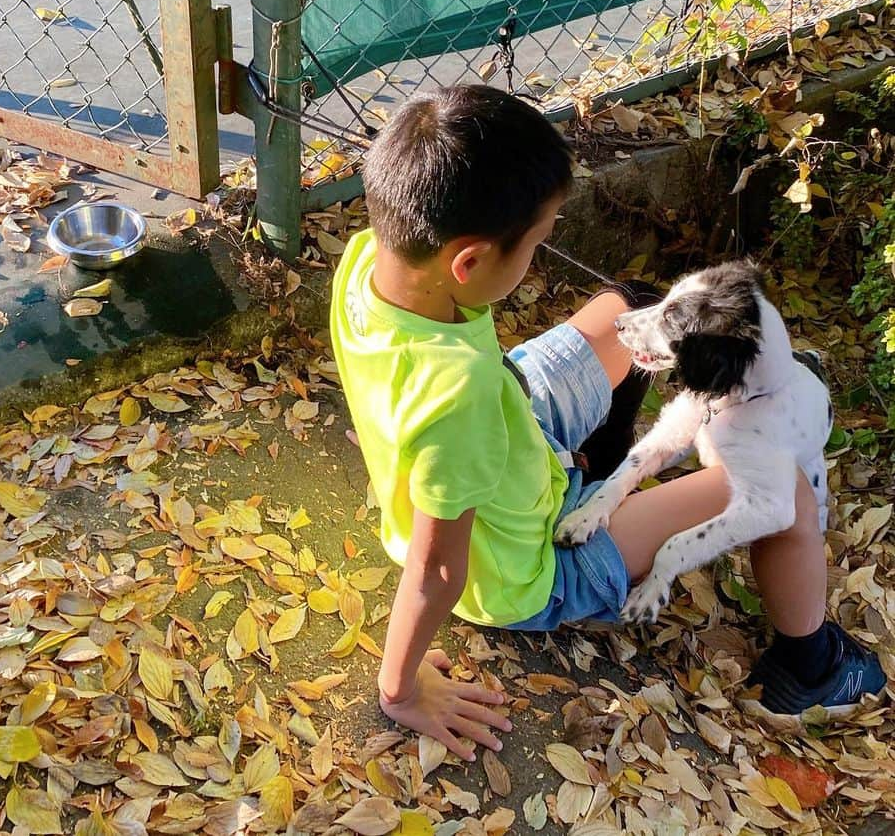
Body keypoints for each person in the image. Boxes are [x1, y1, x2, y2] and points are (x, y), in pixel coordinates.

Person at [329, 84, 884, 760]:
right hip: (525, 570)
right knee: (788, 490)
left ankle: (600, 458)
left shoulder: (370, 260)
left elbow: (460, 394)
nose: (539, 253)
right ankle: (813, 665)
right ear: (469, 261)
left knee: (629, 309)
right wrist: (400, 688)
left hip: (514, 424)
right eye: (535, 243)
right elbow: (438, 571)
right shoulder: (457, 397)